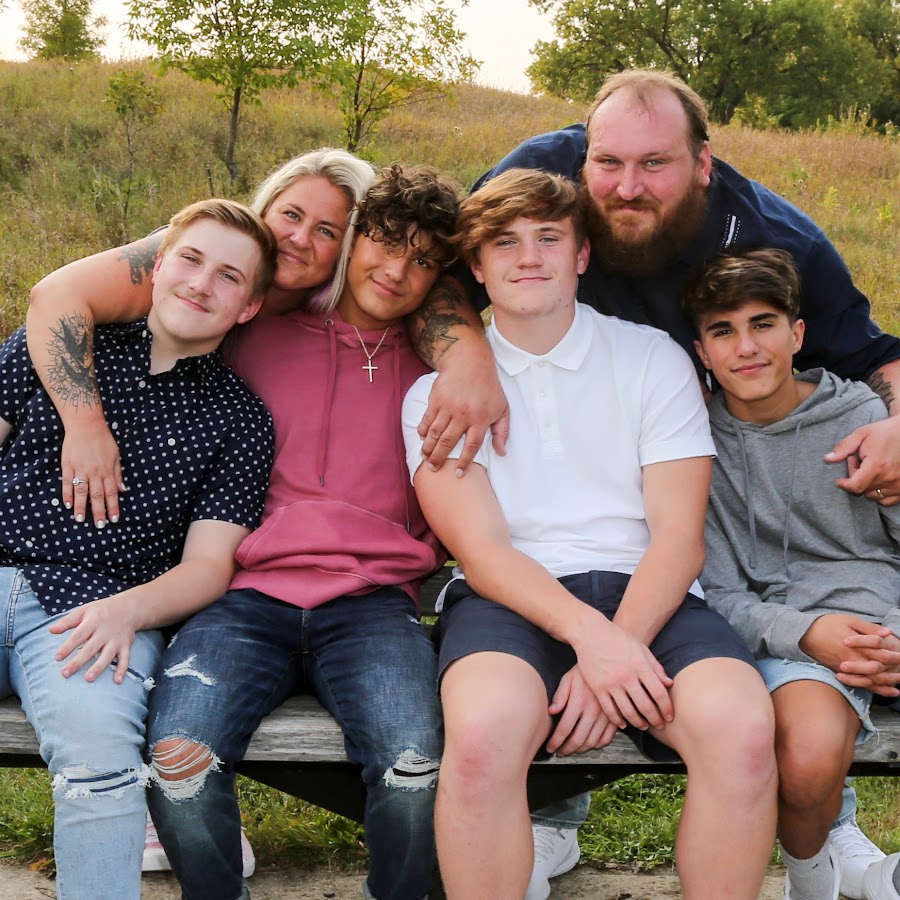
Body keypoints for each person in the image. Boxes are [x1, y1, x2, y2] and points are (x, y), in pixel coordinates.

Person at [472, 67, 900, 898]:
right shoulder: (542, 172)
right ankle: (550, 816)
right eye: (608, 163)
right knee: (570, 555)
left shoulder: (778, 237)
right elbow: (447, 267)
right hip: (586, 445)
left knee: (763, 683)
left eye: (655, 164)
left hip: (699, 457)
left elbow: (872, 354)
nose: (626, 186)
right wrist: (462, 360)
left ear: (703, 163)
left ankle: (827, 824)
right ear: (582, 155)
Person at [402, 168, 778, 900]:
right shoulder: (437, 394)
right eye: (504, 243)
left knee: (740, 729)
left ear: (581, 255)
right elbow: (481, 552)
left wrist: (618, 645)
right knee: (480, 738)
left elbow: (679, 536)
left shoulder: (651, 359)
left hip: (651, 594)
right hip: (509, 600)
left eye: (549, 238)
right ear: (476, 267)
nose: (528, 257)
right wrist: (595, 643)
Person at [144, 162, 460, 900]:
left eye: (423, 261)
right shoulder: (254, 337)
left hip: (374, 605)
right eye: (385, 244)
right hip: (244, 600)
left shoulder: (440, 368)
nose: (397, 270)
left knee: (413, 765)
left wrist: (466, 351)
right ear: (354, 242)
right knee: (179, 763)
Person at [0, 198, 277, 900]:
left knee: (101, 767)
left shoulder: (239, 419)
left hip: (91, 615)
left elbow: (208, 567)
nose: (201, 283)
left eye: (228, 276)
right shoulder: (59, 348)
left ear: (249, 307)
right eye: (190, 260)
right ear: (157, 267)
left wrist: (128, 611)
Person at [684, 247, 900, 900]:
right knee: (806, 759)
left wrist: (894, 634)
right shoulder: (693, 445)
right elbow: (717, 592)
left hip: (882, 622)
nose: (746, 347)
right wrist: (806, 634)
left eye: (763, 324)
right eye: (723, 331)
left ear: (798, 334)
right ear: (701, 350)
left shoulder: (865, 420)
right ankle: (810, 883)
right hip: (779, 636)